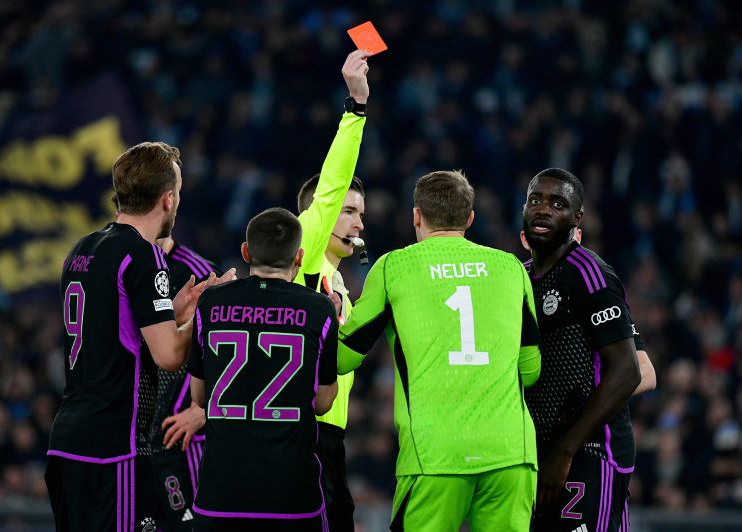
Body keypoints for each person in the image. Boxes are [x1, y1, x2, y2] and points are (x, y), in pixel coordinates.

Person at [338, 170, 541, 531]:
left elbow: (342, 359)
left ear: (416, 216)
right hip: (511, 452)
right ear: (470, 219)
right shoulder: (512, 268)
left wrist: (338, 311)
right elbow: (530, 371)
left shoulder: (392, 267)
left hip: (434, 454)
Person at [46, 142, 232, 531]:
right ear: (167, 199)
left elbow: (117, 327)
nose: (178, 201)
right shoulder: (144, 255)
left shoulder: (82, 249)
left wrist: (174, 310)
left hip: (66, 443)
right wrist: (203, 311)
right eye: (178, 192)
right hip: (114, 448)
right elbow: (169, 357)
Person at [188, 207, 339, 531]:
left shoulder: (211, 304)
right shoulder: (319, 308)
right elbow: (323, 402)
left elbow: (199, 396)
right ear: (298, 257)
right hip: (292, 498)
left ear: (246, 251)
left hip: (221, 496)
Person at [520, 168, 642, 531]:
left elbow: (628, 371)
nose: (543, 209)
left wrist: (565, 450)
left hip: (590, 453)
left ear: (577, 219)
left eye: (557, 203)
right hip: (537, 455)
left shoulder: (589, 273)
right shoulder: (520, 278)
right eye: (535, 200)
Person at [294, 49, 370, 531]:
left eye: (361, 213)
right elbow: (331, 185)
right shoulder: (306, 255)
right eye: (349, 211)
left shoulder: (338, 280)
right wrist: (356, 107)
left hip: (329, 435)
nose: (358, 221)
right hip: (306, 434)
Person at [520, 229, 657, 395]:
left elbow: (646, 373)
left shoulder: (598, 289)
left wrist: (589, 403)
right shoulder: (521, 284)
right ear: (526, 240)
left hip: (600, 418)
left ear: (578, 237)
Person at [149, 235, 222, 529]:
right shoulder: (126, 265)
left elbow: (228, 347)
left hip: (186, 441)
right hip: (141, 440)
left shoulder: (198, 271)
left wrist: (204, 408)